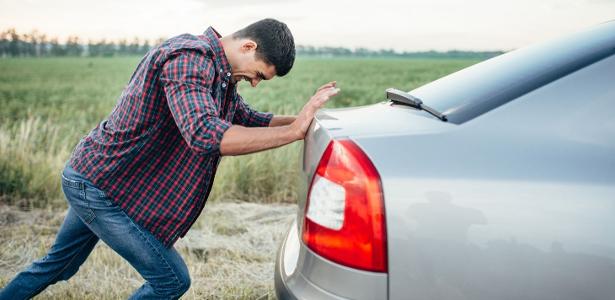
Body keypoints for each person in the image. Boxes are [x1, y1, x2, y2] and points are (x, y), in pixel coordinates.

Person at [0, 18, 339, 299]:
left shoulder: (221, 75)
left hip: (107, 182)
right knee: (172, 279)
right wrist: (292, 133)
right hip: (98, 185)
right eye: (259, 74)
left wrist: (305, 121)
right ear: (248, 47)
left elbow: (247, 118)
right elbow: (204, 133)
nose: (254, 83)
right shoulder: (189, 58)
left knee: (58, 265)